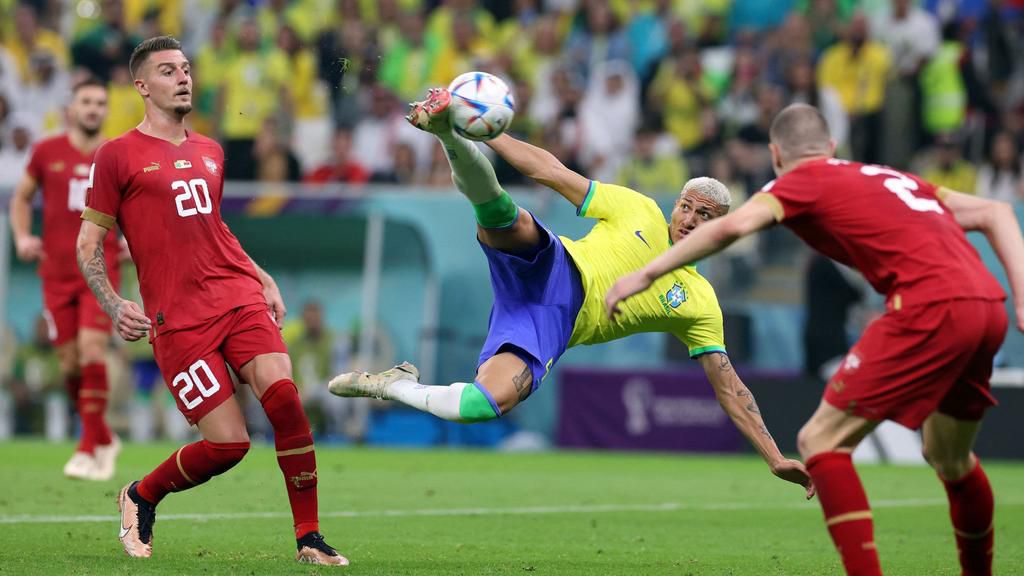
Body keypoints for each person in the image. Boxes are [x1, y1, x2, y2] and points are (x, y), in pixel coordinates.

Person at [329, 87, 815, 498]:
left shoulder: (699, 301)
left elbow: (729, 387)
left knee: (481, 406)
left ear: (723, 227)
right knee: (503, 214)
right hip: (557, 267)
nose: (691, 219)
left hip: (547, 327)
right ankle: (446, 133)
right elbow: (551, 171)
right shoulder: (639, 209)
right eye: (687, 207)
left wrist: (774, 457)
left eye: (706, 216)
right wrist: (495, 135)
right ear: (675, 206)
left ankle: (391, 384)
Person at [606, 103, 1024, 576]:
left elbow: (733, 226)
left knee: (819, 440)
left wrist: (649, 272)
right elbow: (997, 212)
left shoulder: (799, 181)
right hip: (988, 306)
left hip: (929, 305)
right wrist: (1022, 299)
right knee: (948, 456)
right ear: (830, 147)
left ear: (775, 154)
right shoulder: (893, 178)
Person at [76, 36, 346, 566]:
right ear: (142, 86)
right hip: (178, 320)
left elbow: (214, 228)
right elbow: (89, 244)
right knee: (227, 446)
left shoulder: (211, 151)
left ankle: (309, 537)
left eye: (186, 68)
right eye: (168, 70)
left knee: (286, 398)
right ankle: (140, 495)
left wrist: (261, 276)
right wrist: (112, 304)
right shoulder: (116, 156)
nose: (183, 78)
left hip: (237, 297)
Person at [8, 77, 121, 481]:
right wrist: (22, 236)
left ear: (106, 110)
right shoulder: (46, 151)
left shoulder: (116, 154)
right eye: (86, 102)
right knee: (70, 363)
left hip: (99, 269)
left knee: (92, 349)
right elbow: (20, 197)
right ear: (71, 109)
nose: (93, 109)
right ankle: (103, 434)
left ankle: (87, 447)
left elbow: (138, 206)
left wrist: (128, 240)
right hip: (55, 273)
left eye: (100, 102)